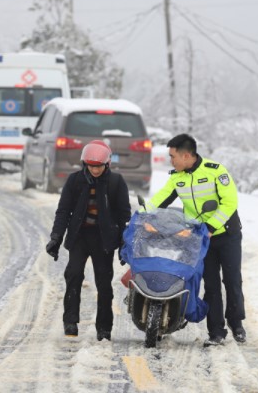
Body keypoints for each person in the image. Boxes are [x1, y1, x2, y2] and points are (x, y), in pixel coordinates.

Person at [145, 133, 246, 347]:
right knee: (210, 285)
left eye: (173, 157)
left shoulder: (216, 172)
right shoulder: (177, 178)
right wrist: (142, 216)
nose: (170, 161)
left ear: (186, 155)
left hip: (226, 234)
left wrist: (211, 227)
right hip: (202, 238)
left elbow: (229, 203)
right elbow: (159, 199)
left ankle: (236, 323)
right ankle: (216, 332)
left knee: (232, 281)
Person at [46, 140, 131, 341]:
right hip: (79, 235)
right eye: (91, 166)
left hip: (104, 239)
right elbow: (63, 211)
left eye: (99, 166)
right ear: (85, 164)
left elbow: (124, 215)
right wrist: (56, 237)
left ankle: (104, 328)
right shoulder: (75, 181)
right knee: (73, 275)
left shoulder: (116, 182)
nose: (95, 170)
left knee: (103, 283)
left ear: (107, 164)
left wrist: (124, 244)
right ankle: (70, 321)